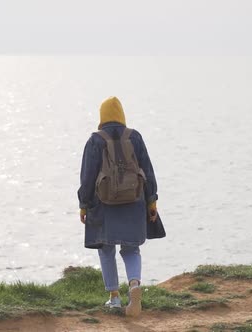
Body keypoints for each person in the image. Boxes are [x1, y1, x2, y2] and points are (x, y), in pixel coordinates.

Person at [77, 96, 159, 317]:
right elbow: (148, 171)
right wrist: (152, 201)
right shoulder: (135, 137)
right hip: (135, 201)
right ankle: (134, 285)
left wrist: (84, 204)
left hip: (104, 204)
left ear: (102, 116)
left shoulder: (95, 140)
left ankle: (114, 298)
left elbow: (87, 177)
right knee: (131, 248)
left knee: (106, 249)